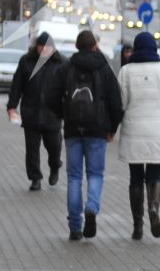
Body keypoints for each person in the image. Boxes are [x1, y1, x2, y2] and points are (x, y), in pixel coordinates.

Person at [51, 29, 123, 240]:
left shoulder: (66, 68)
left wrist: (64, 114)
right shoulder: (104, 69)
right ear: (95, 46)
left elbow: (51, 97)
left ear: (76, 46)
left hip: (73, 130)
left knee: (74, 177)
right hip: (97, 131)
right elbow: (116, 102)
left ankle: (75, 226)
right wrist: (112, 128)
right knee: (95, 174)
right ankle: (91, 206)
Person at [115, 30, 160, 239]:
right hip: (157, 132)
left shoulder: (126, 71)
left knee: (135, 178)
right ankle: (154, 208)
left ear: (135, 48)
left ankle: (137, 225)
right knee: (155, 175)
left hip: (134, 130)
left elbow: (121, 103)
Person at [6, 33, 64, 192]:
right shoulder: (26, 61)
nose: (44, 50)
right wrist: (12, 106)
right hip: (31, 112)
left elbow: (68, 89)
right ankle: (35, 178)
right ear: (36, 47)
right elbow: (16, 86)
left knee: (54, 146)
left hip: (53, 114)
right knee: (32, 149)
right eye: (41, 46)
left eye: (48, 47)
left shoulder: (61, 63)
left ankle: (54, 167)